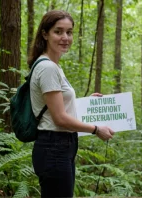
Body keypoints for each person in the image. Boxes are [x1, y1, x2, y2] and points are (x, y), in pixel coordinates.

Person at [28, 10, 114, 197]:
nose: (65, 37)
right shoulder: (48, 68)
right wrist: (96, 129)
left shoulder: (53, 66)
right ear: (45, 34)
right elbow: (59, 118)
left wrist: (86, 104)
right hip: (54, 147)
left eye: (69, 32)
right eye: (58, 32)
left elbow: (57, 107)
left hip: (59, 147)